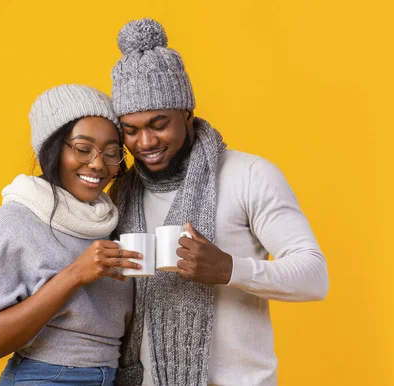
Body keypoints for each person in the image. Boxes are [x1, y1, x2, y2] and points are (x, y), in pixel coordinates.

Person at [109, 19, 330, 386]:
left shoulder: (249, 175)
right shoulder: (123, 193)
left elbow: (314, 277)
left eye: (159, 123)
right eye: (131, 130)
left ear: (187, 115)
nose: (145, 142)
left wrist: (228, 269)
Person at [0, 84, 143, 386]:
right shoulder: (16, 220)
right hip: (45, 378)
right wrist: (74, 274)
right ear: (53, 149)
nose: (98, 164)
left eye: (112, 153)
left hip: (110, 378)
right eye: (83, 149)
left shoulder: (109, 221)